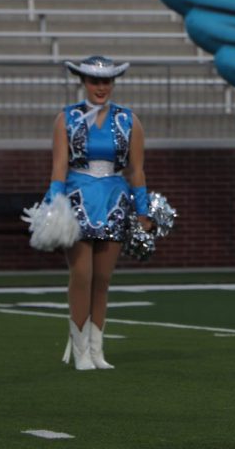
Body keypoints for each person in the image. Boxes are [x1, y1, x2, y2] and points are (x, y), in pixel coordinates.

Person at [48, 56, 152, 370]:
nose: (101, 87)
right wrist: (54, 205)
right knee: (82, 275)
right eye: (95, 81)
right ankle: (80, 351)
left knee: (103, 278)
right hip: (78, 198)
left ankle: (96, 350)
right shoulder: (66, 118)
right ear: (83, 82)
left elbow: (136, 169)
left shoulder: (129, 120)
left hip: (114, 200)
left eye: (107, 81)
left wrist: (143, 209)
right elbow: (59, 167)